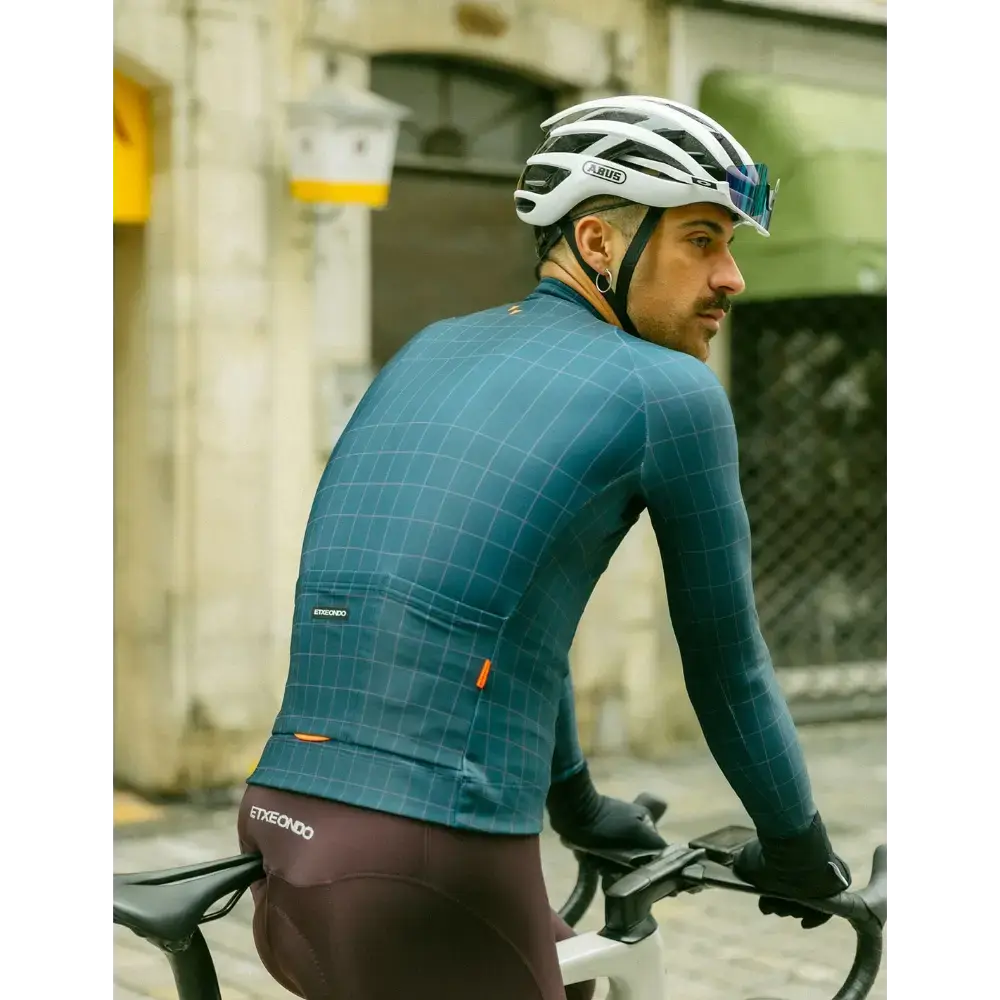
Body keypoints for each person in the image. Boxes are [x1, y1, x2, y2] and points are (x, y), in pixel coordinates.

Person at [238, 95, 850, 1000]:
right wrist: (800, 853)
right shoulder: (669, 391)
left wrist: (581, 808)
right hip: (426, 858)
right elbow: (728, 667)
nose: (732, 278)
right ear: (597, 243)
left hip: (282, 830)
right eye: (702, 240)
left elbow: (503, 612)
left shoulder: (430, 348)